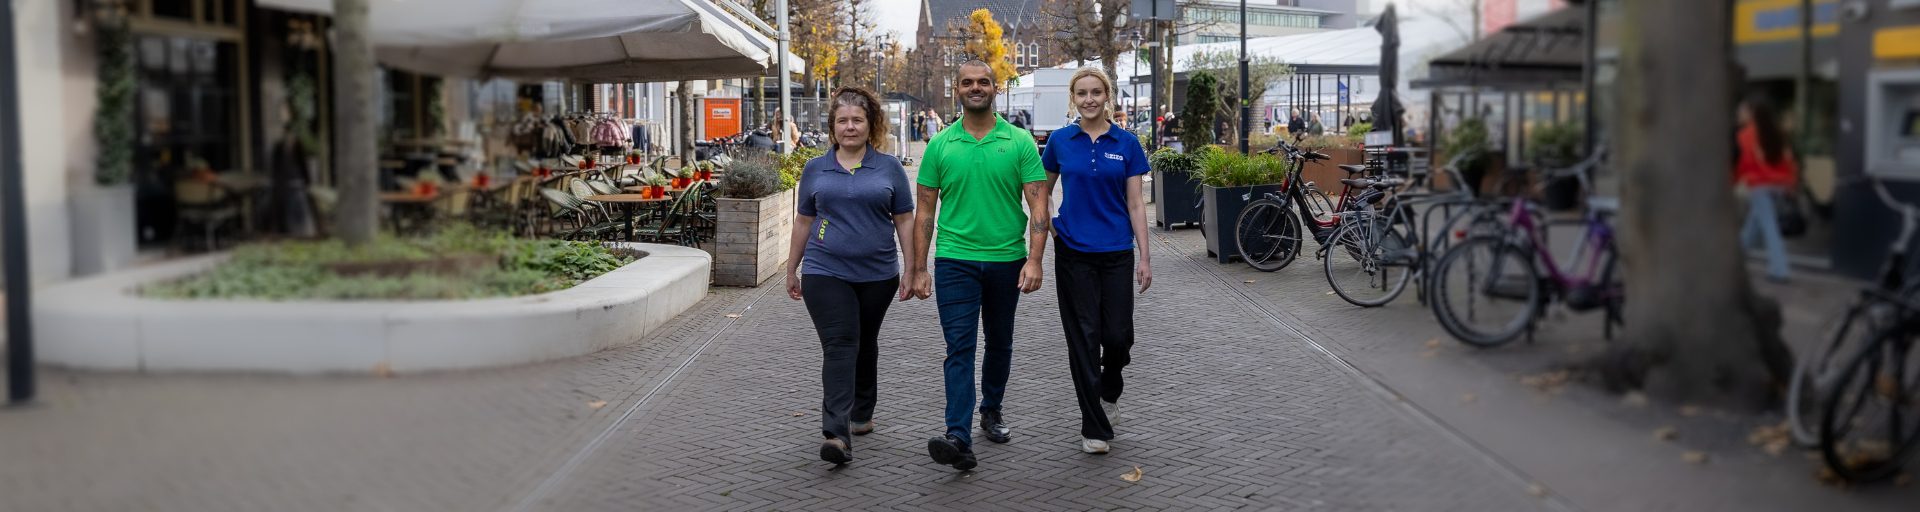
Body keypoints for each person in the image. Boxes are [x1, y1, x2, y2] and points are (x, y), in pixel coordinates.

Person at [911, 60, 1051, 471]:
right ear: (956, 89)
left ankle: (991, 409)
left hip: (1007, 260)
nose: (976, 88)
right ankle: (958, 435)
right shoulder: (940, 145)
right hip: (955, 260)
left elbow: (1039, 205)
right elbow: (923, 213)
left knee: (1000, 341)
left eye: (983, 82)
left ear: (995, 88)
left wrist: (1036, 260)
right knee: (960, 346)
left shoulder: (1020, 141)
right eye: (968, 82)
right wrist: (919, 268)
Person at [785, 86, 918, 465]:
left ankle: (862, 410)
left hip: (878, 274)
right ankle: (836, 433)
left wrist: (912, 267)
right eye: (842, 120)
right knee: (841, 343)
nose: (849, 127)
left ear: (870, 124)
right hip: (824, 270)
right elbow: (804, 220)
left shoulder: (890, 167)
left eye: (857, 120)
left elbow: (904, 220)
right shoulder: (815, 168)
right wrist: (792, 268)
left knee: (865, 341)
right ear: (832, 126)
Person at [1039, 67, 1153, 455]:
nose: (1089, 99)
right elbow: (1040, 192)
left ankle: (1110, 387)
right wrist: (1054, 229)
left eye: (1096, 93)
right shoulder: (1059, 141)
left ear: (1108, 96)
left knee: (1118, 336)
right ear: (1074, 98)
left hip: (1117, 252)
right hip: (1074, 255)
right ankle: (1093, 427)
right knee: (1083, 338)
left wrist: (1145, 257)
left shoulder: (1127, 143)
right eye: (1082, 93)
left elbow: (1136, 203)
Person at [1735, 92, 1797, 282]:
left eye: (1743, 110)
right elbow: (1789, 161)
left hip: (1759, 185)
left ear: (1752, 112)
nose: (1739, 113)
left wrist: (1733, 181)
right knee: (1753, 224)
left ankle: (1780, 270)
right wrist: (1790, 182)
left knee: (1769, 227)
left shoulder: (1745, 136)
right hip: (1779, 185)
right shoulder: (1777, 132)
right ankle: (1736, 259)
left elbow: (1742, 164)